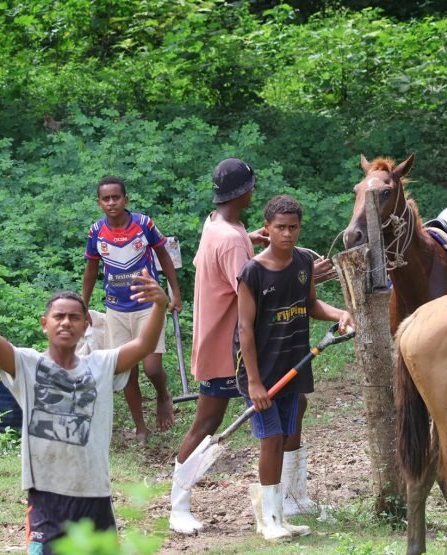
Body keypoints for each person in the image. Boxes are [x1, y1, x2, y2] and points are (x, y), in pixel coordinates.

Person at [0, 257, 169, 555]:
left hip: (95, 495)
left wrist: (159, 305)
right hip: (46, 497)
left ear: (86, 326)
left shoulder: (102, 365)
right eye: (59, 316)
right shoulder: (27, 364)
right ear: (44, 324)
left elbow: (143, 346)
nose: (66, 322)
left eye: (74, 317)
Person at [169, 159, 335, 534]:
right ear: (245, 192)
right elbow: (259, 289)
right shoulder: (231, 240)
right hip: (228, 348)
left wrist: (258, 238)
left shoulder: (223, 224)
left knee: (294, 404)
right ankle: (178, 504)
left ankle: (291, 496)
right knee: (208, 421)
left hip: (244, 344)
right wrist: (311, 277)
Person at [235, 194, 353, 541]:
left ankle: (279, 514)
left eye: (293, 227)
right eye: (280, 228)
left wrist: (340, 313)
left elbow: (311, 303)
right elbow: (244, 329)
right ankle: (269, 519)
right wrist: (254, 382)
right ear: (267, 228)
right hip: (260, 372)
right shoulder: (252, 272)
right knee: (270, 439)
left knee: (285, 436)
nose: (287, 234)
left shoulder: (302, 262)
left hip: (294, 364)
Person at [82, 176, 182, 441]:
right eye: (106, 198)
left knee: (151, 367)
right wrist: (82, 305)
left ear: (125, 199)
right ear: (99, 202)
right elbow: (91, 270)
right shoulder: (96, 232)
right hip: (116, 308)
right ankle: (140, 427)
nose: (112, 202)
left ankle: (163, 394)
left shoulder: (143, 224)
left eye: (116, 197)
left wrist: (175, 291)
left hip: (148, 305)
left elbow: (164, 255)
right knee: (126, 372)